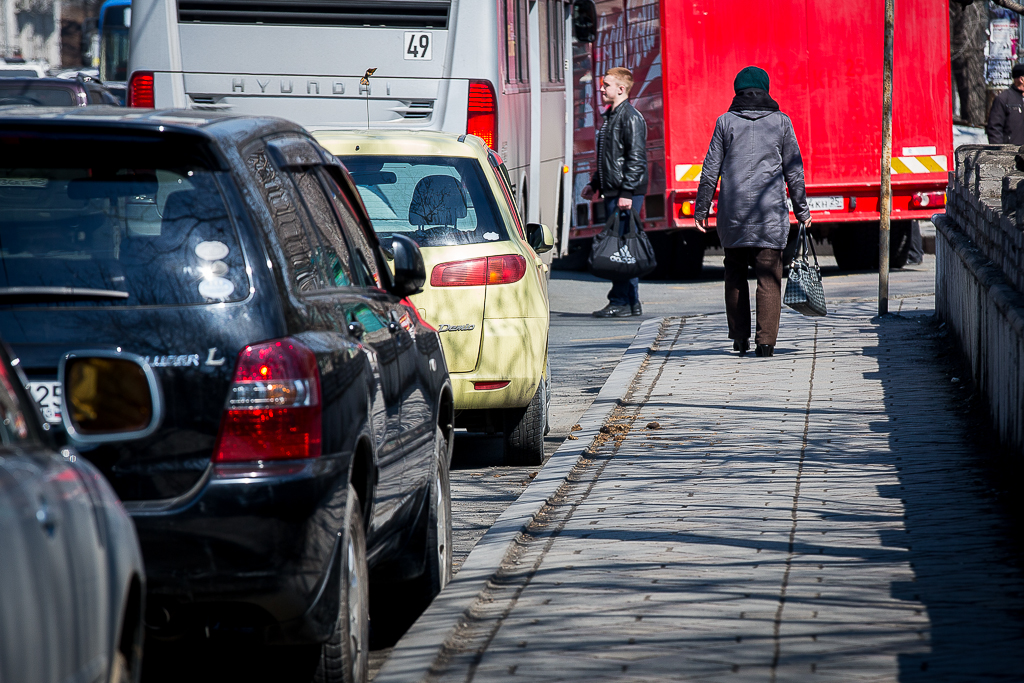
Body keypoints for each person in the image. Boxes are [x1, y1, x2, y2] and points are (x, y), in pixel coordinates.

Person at [694, 66, 810, 357]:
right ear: (766, 89)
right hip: (769, 214)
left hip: (733, 215)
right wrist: (802, 211)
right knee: (768, 275)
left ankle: (739, 338)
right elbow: (794, 172)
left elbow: (710, 170)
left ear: (737, 90)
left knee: (734, 273)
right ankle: (766, 342)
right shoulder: (782, 123)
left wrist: (701, 210)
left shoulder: (725, 122)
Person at [582, 66, 649, 318]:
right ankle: (631, 301)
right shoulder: (612, 116)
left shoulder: (630, 117)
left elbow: (636, 158)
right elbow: (609, 158)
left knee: (619, 246)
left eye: (606, 85)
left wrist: (627, 192)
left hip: (624, 192)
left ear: (621, 89)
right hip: (615, 190)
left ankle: (620, 300)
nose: (601, 88)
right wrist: (595, 183)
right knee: (623, 245)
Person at [986, 63, 1024, 145]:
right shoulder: (1003, 99)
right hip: (1012, 153)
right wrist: (999, 152)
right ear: (1022, 79)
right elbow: (994, 128)